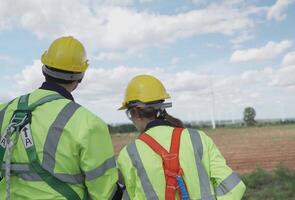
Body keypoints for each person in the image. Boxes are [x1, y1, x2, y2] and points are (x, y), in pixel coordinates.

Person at [0, 36, 121, 199]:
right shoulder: (89, 123)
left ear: (44, 69)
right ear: (80, 77)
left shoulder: (4, 111)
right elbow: (105, 194)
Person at [117, 74, 246, 200]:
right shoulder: (198, 139)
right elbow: (234, 188)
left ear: (135, 113)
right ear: (162, 107)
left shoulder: (128, 154)